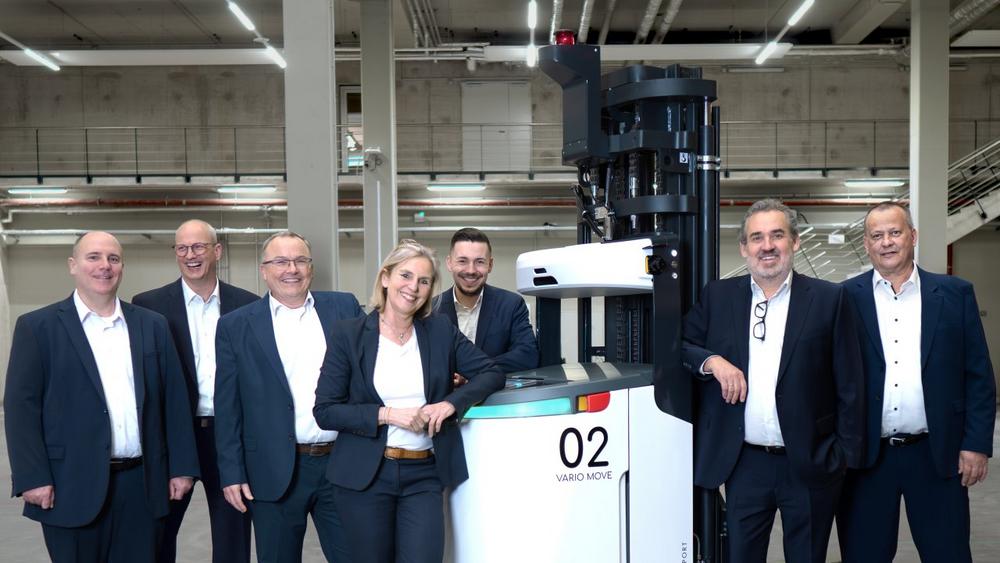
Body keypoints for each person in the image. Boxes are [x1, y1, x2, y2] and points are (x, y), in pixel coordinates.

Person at [681, 199, 864, 563]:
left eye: (777, 235)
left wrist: (842, 457)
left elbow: (851, 384)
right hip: (744, 463)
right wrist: (712, 361)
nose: (767, 246)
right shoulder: (718, 296)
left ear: (795, 242)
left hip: (810, 461)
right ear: (744, 248)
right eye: (757, 237)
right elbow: (681, 346)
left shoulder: (829, 299)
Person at [4, 231, 199, 563]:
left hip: (142, 486)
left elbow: (174, 402)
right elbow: (21, 409)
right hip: (69, 485)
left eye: (113, 258)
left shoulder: (152, 325)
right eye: (93, 257)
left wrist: (182, 467)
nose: (104, 265)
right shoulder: (38, 328)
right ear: (73, 265)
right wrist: (32, 477)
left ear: (122, 267)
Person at [314, 239, 505, 563]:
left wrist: (450, 404)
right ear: (385, 278)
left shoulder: (440, 331)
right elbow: (326, 410)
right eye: (405, 275)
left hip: (424, 473)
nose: (413, 287)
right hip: (365, 477)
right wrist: (387, 414)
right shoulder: (349, 334)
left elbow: (491, 372)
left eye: (424, 280)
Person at [836, 202, 996, 562]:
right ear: (867, 244)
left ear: (913, 236)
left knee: (948, 553)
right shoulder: (843, 297)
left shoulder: (955, 294)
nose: (886, 242)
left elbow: (978, 375)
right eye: (877, 235)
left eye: (895, 232)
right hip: (866, 459)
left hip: (937, 453)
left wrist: (976, 444)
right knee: (863, 555)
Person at [214, 231, 363, 563]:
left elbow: (373, 372)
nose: (291, 269)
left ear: (311, 267)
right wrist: (231, 472)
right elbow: (228, 407)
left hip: (341, 464)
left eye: (300, 260)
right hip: (272, 469)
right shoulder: (235, 326)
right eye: (280, 261)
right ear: (264, 270)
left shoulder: (344, 308)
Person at [132, 219, 258, 563]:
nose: (191, 255)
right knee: (159, 533)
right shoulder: (148, 305)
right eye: (183, 248)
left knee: (233, 537)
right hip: (175, 436)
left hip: (230, 436)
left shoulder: (247, 304)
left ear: (217, 251)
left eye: (199, 246)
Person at [432, 227, 538, 374]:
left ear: (490, 265)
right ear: (449, 263)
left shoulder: (511, 305)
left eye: (479, 262)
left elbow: (527, 355)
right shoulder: (431, 310)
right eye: (462, 261)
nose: (471, 270)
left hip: (496, 389)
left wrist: (471, 371)